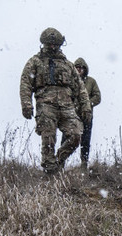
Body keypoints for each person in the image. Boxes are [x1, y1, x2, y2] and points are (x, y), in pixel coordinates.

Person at [19, 27, 91, 175]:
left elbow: (80, 87)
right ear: (44, 44)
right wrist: (26, 104)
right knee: (49, 139)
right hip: (45, 105)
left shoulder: (68, 65)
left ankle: (57, 162)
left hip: (67, 106)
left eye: (55, 44)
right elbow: (25, 83)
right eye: (49, 44)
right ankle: (50, 172)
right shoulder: (35, 62)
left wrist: (86, 107)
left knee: (76, 134)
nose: (52, 47)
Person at [74, 57, 101, 170]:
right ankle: (61, 164)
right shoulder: (69, 81)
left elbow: (97, 97)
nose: (79, 70)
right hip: (71, 116)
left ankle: (84, 164)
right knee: (67, 139)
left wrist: (87, 104)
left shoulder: (91, 81)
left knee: (85, 141)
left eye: (82, 68)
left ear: (85, 69)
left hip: (86, 116)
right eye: (77, 67)